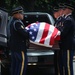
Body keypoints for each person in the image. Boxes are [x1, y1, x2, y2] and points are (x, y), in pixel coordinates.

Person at [9, 6, 29, 75]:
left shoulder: (12, 22)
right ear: (17, 14)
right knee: (21, 66)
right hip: (19, 48)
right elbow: (25, 34)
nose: (22, 15)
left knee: (16, 66)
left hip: (15, 48)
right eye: (21, 13)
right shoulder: (17, 23)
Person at [59, 3, 75, 75]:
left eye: (64, 9)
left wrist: (58, 33)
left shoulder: (68, 20)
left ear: (69, 10)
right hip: (65, 45)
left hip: (67, 45)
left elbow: (64, 33)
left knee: (68, 65)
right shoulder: (67, 19)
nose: (63, 10)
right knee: (66, 65)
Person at [53, 4, 65, 75]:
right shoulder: (57, 21)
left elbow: (60, 31)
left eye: (55, 12)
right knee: (57, 62)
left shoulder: (62, 20)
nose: (54, 14)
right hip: (56, 45)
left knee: (60, 62)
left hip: (60, 45)